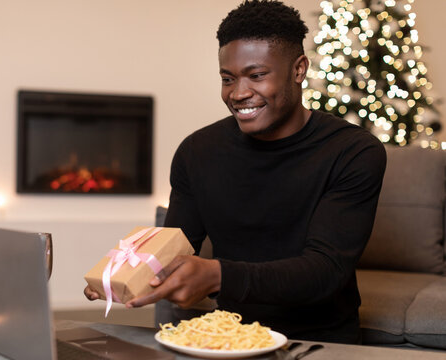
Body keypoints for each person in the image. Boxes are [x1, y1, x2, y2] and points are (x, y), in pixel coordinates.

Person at [85, 0, 386, 344]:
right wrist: (121, 274)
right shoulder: (197, 151)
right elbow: (175, 248)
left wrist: (218, 275)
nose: (239, 93)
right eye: (228, 79)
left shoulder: (353, 151)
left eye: (257, 75)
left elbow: (326, 270)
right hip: (228, 337)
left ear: (299, 69)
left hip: (320, 341)